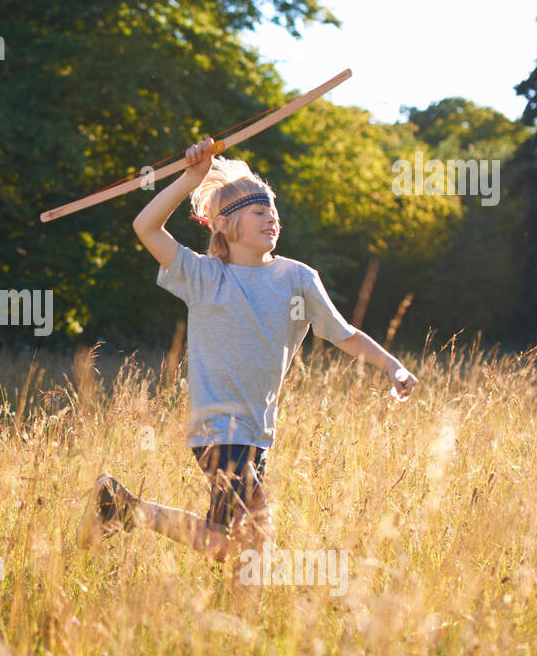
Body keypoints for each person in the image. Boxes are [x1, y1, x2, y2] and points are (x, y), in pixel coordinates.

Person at [80, 137, 417, 559]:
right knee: (252, 542)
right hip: (220, 431)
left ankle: (126, 513)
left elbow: (342, 333)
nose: (271, 218)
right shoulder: (203, 277)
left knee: (241, 547)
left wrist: (392, 366)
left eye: (273, 210)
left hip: (257, 435)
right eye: (258, 211)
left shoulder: (298, 279)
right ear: (222, 224)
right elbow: (145, 227)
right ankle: (129, 514)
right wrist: (191, 178)